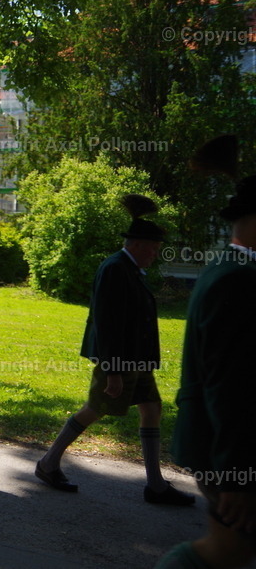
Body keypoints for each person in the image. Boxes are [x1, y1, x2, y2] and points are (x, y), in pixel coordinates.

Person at [35, 197, 194, 506]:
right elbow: (107, 324)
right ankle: (48, 463)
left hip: (137, 361)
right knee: (95, 408)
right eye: (152, 249)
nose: (155, 255)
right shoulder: (115, 269)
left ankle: (156, 485)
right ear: (136, 244)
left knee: (152, 409)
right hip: (120, 361)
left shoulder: (129, 269)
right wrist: (113, 371)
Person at [156, 177, 256, 569]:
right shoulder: (238, 278)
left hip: (227, 452)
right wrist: (236, 475)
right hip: (230, 454)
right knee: (225, 551)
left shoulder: (232, 269)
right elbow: (230, 386)